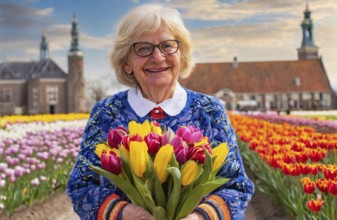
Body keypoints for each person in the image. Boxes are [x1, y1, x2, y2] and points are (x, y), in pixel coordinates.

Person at [67, 4, 254, 220]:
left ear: (181, 55)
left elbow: (237, 186)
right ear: (126, 62)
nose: (157, 57)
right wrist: (125, 213)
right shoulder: (107, 113)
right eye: (143, 48)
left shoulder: (210, 111)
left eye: (167, 45)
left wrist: (200, 218)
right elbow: (80, 186)